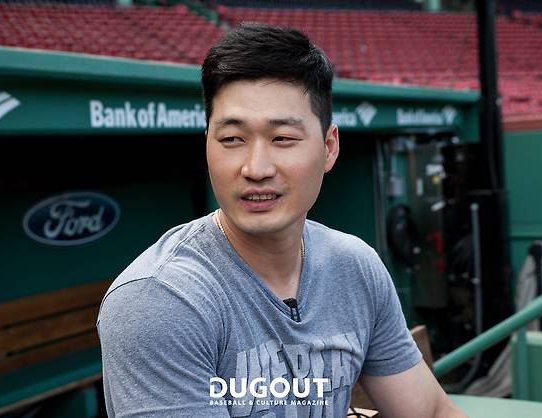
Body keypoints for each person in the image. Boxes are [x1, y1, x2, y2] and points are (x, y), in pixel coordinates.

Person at [97, 22, 466, 418]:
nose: (256, 168)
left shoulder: (355, 266)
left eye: (283, 139)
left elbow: (430, 411)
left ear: (329, 147)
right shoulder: (159, 301)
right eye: (232, 139)